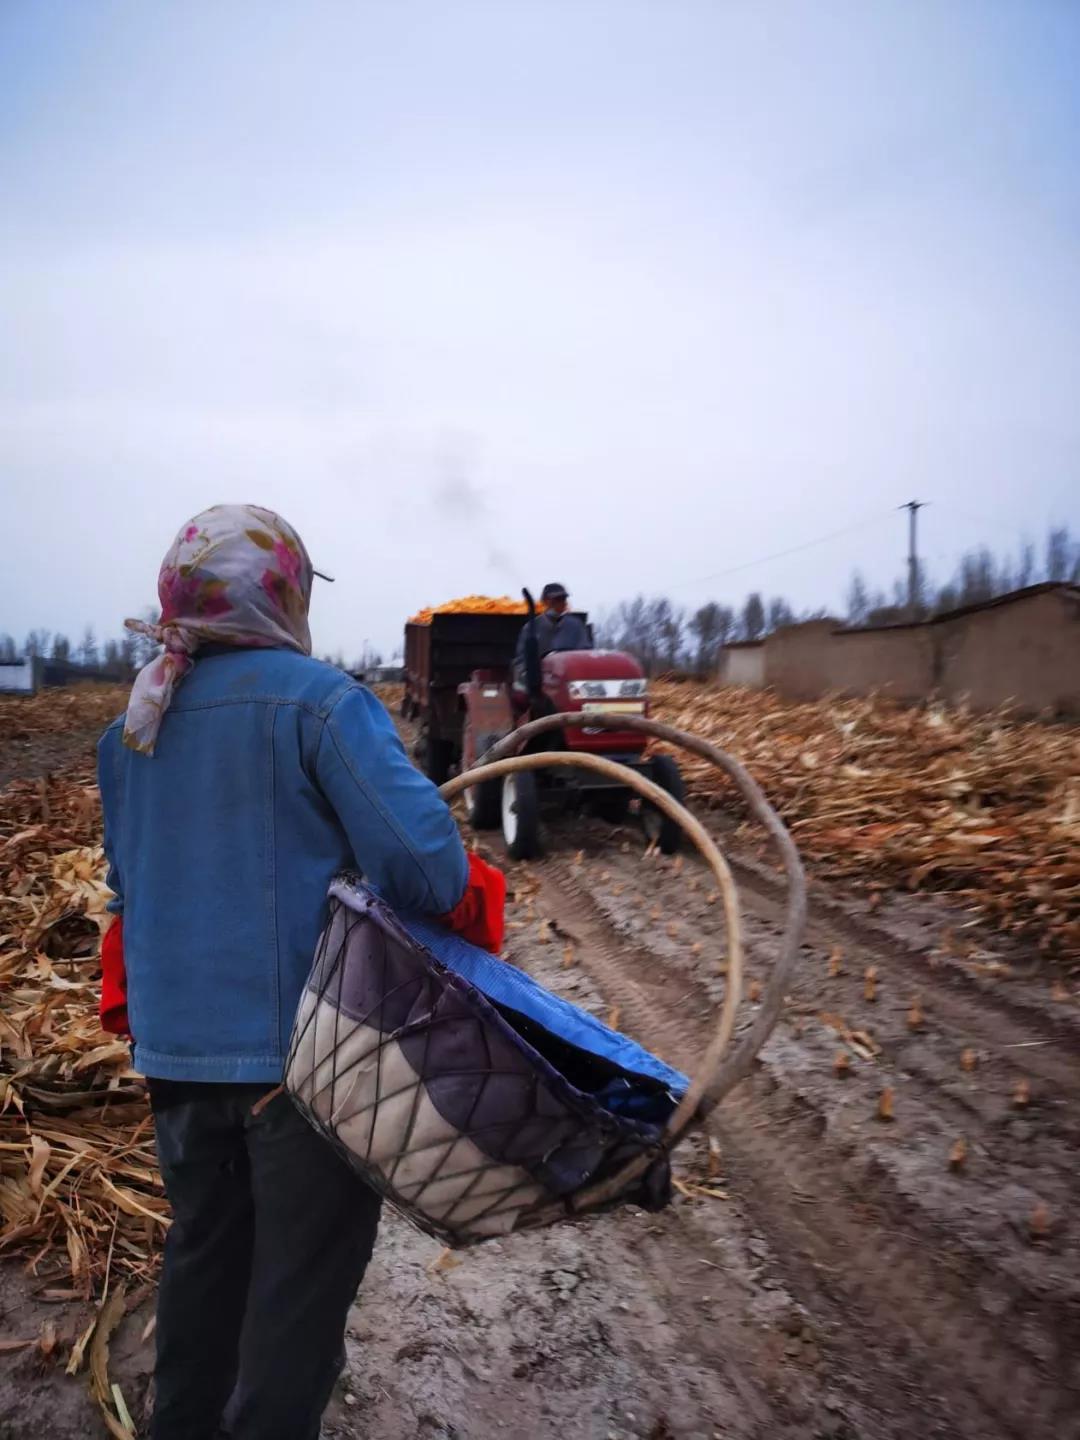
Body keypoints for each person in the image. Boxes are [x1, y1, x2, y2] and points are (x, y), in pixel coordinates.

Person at [97, 504, 504, 1440]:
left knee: (205, 1255)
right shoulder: (320, 703)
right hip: (304, 1068)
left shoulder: (134, 725)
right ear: (282, 592)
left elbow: (130, 886)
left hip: (177, 1060)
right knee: (296, 1295)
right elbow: (429, 872)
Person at [513, 582, 592, 677]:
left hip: (570, 677)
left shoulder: (576, 626)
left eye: (563, 599)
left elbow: (585, 653)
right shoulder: (531, 628)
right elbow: (521, 660)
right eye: (556, 600)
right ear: (545, 602)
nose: (561, 603)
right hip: (541, 679)